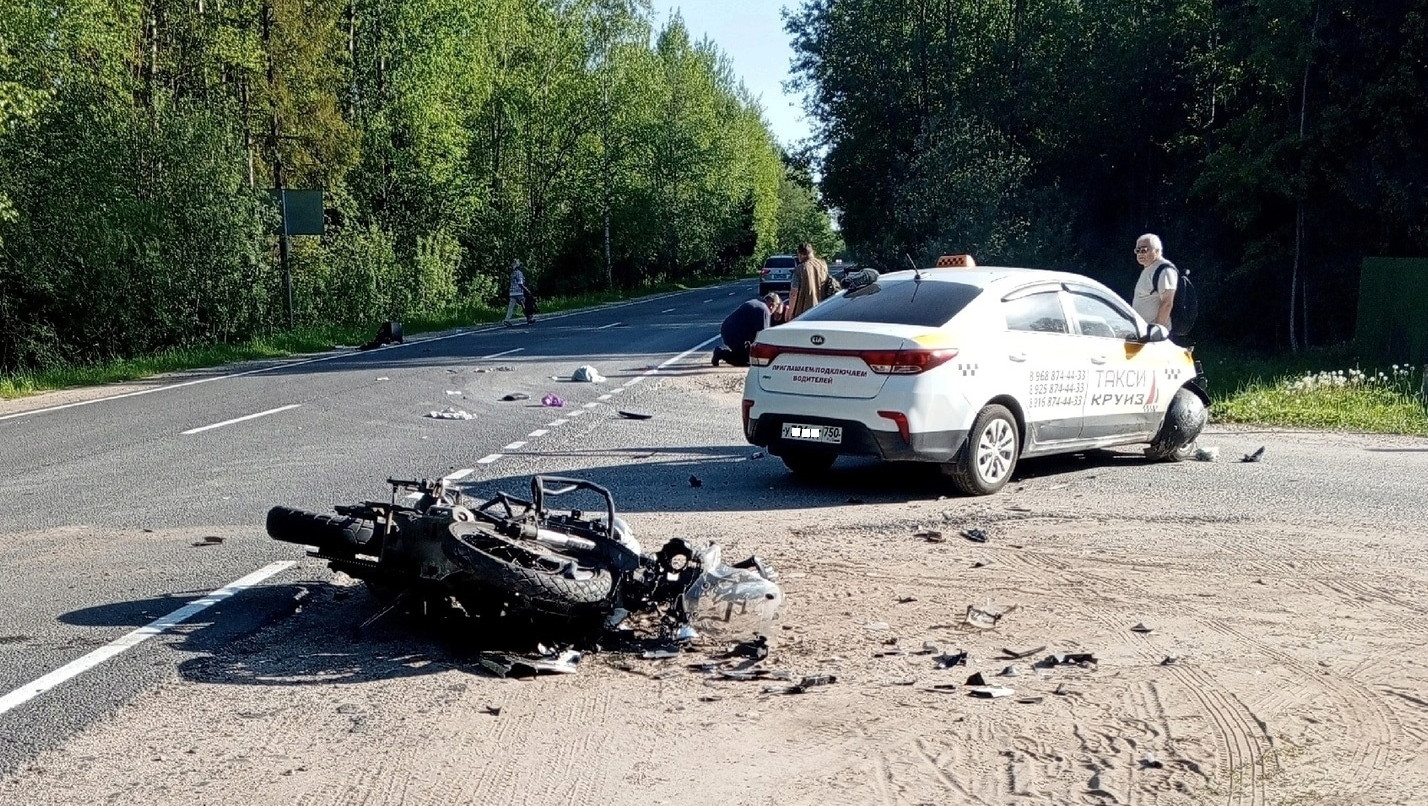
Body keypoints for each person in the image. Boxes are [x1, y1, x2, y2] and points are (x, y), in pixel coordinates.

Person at [712, 293, 783, 367]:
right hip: (733, 335)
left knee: (748, 356)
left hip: (730, 331)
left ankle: (722, 353)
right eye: (775, 308)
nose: (773, 312)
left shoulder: (757, 303)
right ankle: (720, 353)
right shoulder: (764, 310)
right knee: (744, 360)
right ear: (772, 305)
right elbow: (763, 335)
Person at [1131, 233, 1177, 335]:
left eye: (1144, 250)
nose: (1140, 254)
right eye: (1137, 250)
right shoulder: (1148, 268)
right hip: (1144, 333)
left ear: (1156, 251)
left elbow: (1167, 303)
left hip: (1156, 336)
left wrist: (1155, 332)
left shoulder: (1164, 270)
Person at [787, 243, 832, 320]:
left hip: (805, 312)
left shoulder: (799, 269)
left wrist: (790, 313)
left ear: (801, 254)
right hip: (822, 308)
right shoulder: (823, 265)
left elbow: (794, 293)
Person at [504, 260, 533, 326]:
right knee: (524, 305)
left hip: (512, 292)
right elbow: (520, 283)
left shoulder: (513, 273)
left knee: (511, 307)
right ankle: (529, 318)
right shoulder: (519, 273)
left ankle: (507, 319)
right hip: (519, 292)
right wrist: (526, 290)